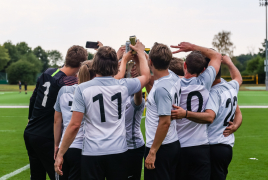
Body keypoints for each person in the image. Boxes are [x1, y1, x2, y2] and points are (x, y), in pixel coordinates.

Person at [54, 40, 151, 180]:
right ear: (114, 66)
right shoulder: (123, 85)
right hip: (118, 150)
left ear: (95, 64)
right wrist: (141, 54)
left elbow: (74, 125)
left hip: (92, 152)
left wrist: (61, 153)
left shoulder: (83, 88)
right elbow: (146, 77)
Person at [171, 55, 243, 180]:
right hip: (227, 145)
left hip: (213, 145)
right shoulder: (229, 86)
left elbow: (209, 117)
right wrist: (236, 125)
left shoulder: (212, 92)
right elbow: (238, 111)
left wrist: (186, 113)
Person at [24, 45, 88, 180]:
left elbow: (32, 98)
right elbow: (90, 81)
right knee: (60, 175)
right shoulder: (66, 83)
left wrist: (31, 119)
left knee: (36, 176)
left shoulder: (48, 72)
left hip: (31, 132)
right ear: (81, 65)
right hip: (46, 137)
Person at [170, 42, 221, 180]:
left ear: (184, 65)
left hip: (179, 144)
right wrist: (192, 47)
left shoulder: (173, 83)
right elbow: (217, 55)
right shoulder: (205, 81)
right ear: (204, 69)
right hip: (200, 146)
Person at [144, 42, 181, 180]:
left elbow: (165, 122)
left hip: (160, 147)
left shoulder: (161, 89)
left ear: (151, 62)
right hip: (171, 143)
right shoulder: (172, 76)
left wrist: (153, 151)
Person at [54, 60, 95, 180]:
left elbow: (57, 121)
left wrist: (57, 146)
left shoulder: (63, 91)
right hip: (84, 146)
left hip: (65, 145)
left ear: (78, 74)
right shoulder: (93, 92)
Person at [124, 57, 146, 180]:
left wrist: (138, 78)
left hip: (134, 147)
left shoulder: (137, 101)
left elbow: (138, 94)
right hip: (120, 147)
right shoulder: (121, 97)